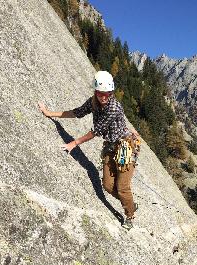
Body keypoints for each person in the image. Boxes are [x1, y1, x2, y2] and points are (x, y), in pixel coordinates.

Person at [39, 71, 138, 228]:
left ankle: (130, 215)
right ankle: (131, 204)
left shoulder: (113, 107)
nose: (104, 97)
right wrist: (49, 113)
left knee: (123, 187)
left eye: (108, 93)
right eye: (100, 93)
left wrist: (74, 143)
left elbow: (96, 132)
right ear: (95, 91)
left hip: (125, 146)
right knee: (107, 186)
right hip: (110, 147)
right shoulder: (93, 102)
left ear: (111, 92)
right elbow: (76, 112)